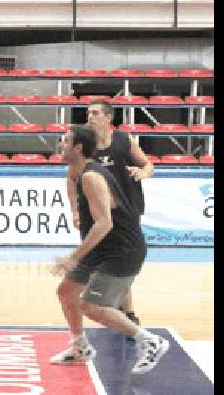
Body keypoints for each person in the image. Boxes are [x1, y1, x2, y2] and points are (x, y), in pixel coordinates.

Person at [50, 125, 169, 375]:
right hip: (103, 248)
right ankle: (79, 346)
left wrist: (72, 258)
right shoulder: (80, 172)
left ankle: (149, 340)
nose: (61, 145)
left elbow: (105, 223)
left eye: (65, 141)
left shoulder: (92, 177)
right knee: (66, 292)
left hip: (122, 249)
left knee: (91, 306)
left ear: (78, 147)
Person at [67, 99, 154, 338]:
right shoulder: (86, 146)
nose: (90, 117)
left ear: (108, 118)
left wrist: (141, 172)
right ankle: (121, 312)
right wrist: (75, 210)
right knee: (108, 261)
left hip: (125, 210)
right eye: (88, 113)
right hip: (98, 212)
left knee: (118, 260)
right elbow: (71, 177)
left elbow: (148, 165)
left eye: (95, 113)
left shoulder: (124, 141)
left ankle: (129, 314)